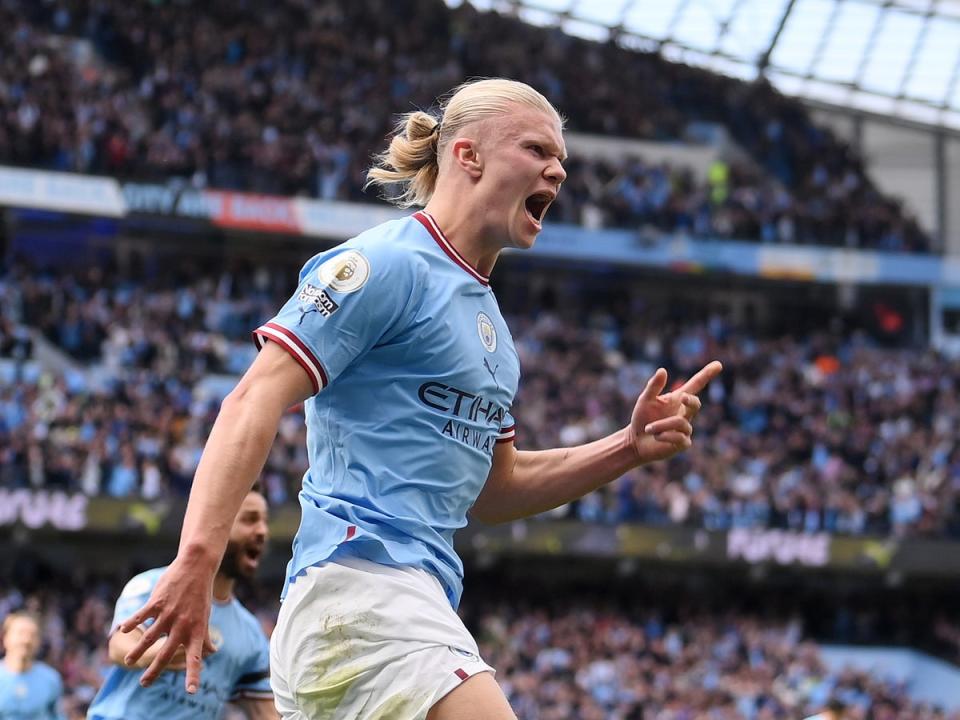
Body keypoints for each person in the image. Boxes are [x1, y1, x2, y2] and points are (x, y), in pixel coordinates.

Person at [119, 78, 722, 719]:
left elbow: (497, 492)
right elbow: (252, 399)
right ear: (468, 156)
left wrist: (626, 448)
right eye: (538, 150)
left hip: (391, 606)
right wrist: (195, 559)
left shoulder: (497, 339)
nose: (558, 170)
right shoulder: (387, 264)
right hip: (362, 587)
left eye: (562, 161)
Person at [88, 487, 278, 719]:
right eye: (250, 520)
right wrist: (159, 652)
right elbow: (119, 647)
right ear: (217, 526)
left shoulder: (252, 636)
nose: (262, 531)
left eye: (265, 522)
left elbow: (266, 714)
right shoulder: (154, 586)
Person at [0, 612, 64, 720]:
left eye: (32, 635)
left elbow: (57, 715)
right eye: (20, 633)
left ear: (39, 642)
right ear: (5, 638)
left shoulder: (50, 678)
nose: (26, 640)